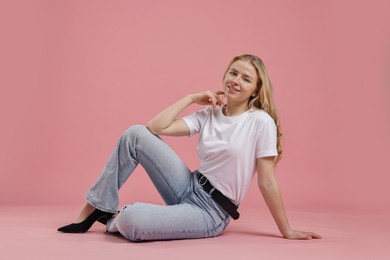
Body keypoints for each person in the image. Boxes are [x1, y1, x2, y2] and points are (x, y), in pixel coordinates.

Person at [57, 54, 321, 241]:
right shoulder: (209, 114)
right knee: (135, 134)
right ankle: (98, 205)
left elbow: (267, 182)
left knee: (132, 221)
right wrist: (191, 98)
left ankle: (117, 217)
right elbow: (155, 127)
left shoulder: (260, 122)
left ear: (254, 91)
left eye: (246, 78)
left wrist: (286, 230)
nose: (236, 80)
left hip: (210, 211)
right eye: (233, 72)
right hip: (188, 185)